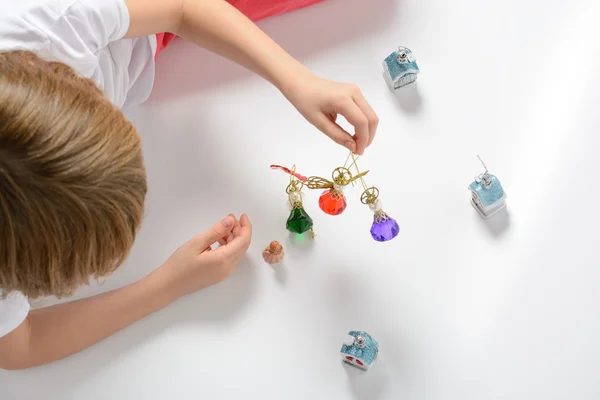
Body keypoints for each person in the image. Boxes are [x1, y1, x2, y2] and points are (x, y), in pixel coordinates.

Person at [0, 0, 378, 370]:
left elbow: (183, 8)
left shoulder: (50, 21)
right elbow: (20, 347)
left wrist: (298, 80)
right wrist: (169, 284)